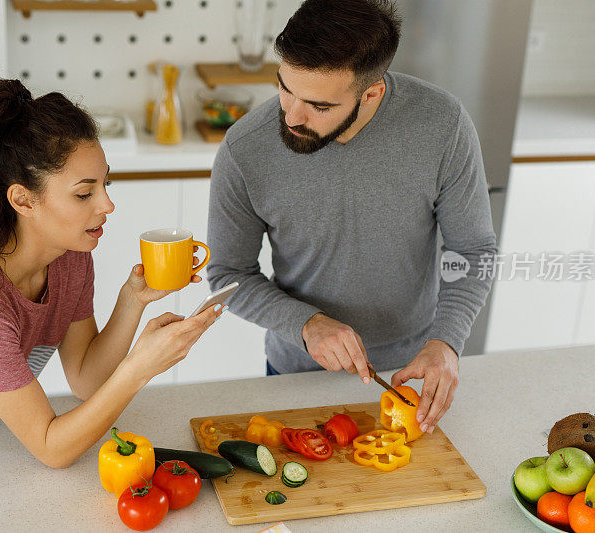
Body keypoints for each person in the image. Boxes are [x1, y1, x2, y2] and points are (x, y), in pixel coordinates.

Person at [0, 78, 221, 467]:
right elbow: (52, 449)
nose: (108, 204)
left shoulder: (69, 257)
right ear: (23, 199)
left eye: (106, 183)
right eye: (84, 193)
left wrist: (132, 300)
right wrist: (140, 368)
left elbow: (87, 380)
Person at [207, 0, 497, 435]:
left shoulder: (442, 126)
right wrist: (306, 324)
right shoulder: (245, 148)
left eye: (318, 106)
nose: (290, 115)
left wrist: (447, 342)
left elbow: (473, 251)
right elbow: (227, 275)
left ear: (372, 94)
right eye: (285, 88)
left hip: (412, 374)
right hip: (295, 375)